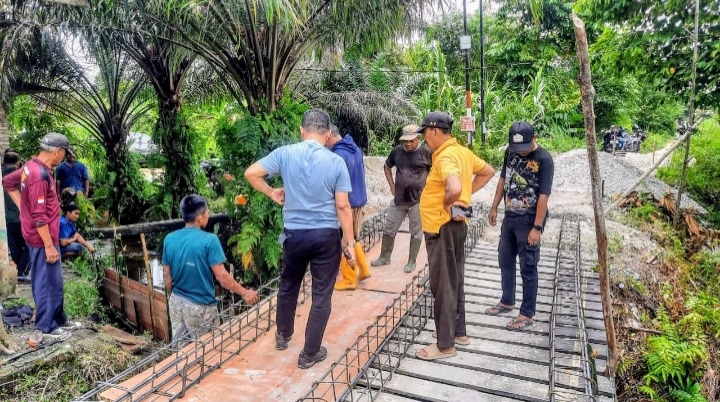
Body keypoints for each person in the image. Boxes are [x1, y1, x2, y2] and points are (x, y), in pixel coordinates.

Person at [244, 108, 357, 369]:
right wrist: (349, 242)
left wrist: (271, 192)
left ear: (302, 131)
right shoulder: (336, 162)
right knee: (321, 295)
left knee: (288, 284)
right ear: (327, 134)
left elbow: (251, 173)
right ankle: (310, 353)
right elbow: (343, 206)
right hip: (326, 236)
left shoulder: (285, 154)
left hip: (293, 234)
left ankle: (283, 335)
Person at [413, 112, 495, 361]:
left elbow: (455, 186)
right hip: (458, 224)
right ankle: (459, 332)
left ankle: (445, 345)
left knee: (443, 284)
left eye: (425, 133)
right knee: (455, 278)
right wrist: (463, 197)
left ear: (435, 131)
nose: (424, 138)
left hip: (442, 227)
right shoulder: (462, 152)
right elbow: (488, 171)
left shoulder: (446, 156)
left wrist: (450, 201)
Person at [3, 133, 80, 340]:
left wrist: (23, 207)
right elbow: (39, 217)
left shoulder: (31, 166)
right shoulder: (38, 175)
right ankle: (47, 326)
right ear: (57, 151)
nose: (63, 158)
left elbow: (8, 182)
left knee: (56, 281)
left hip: (46, 237)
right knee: (46, 282)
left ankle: (59, 319)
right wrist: (48, 245)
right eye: (64, 154)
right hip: (41, 239)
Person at [162, 195, 259, 344]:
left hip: (176, 302)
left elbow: (167, 275)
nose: (209, 215)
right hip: (201, 307)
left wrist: (174, 296)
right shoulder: (210, 240)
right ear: (200, 218)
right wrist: (244, 292)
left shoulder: (169, 239)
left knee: (182, 351)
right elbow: (222, 276)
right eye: (207, 212)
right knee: (209, 349)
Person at [487, 121, 554, 331]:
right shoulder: (510, 152)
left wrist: (537, 227)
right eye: (517, 148)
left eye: (524, 147)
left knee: (528, 266)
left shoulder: (544, 159)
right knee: (505, 259)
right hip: (510, 216)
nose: (521, 152)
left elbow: (544, 196)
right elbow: (503, 179)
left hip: (529, 219)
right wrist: (494, 207)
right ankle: (507, 300)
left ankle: (527, 313)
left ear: (534, 138)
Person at [371, 124, 433, 273]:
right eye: (405, 141)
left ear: (418, 138)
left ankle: (411, 261)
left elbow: (436, 169)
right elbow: (387, 167)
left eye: (411, 141)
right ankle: (384, 257)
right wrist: (392, 186)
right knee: (389, 227)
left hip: (417, 200)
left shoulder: (426, 153)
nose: (408, 144)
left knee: (416, 231)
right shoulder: (397, 151)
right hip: (399, 199)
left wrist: (428, 186)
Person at [326, 124, 371, 291]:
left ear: (328, 136)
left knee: (345, 241)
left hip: (348, 202)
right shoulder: (354, 148)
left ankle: (349, 279)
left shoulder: (338, 155)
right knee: (354, 236)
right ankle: (364, 269)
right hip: (360, 199)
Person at [3, 150, 30, 280]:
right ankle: (22, 272)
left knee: (15, 247)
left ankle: (19, 272)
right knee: (31, 245)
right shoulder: (23, 176)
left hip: (7, 219)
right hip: (24, 218)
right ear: (18, 163)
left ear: (3, 162)